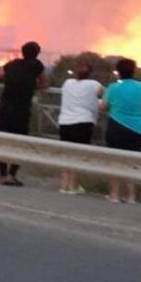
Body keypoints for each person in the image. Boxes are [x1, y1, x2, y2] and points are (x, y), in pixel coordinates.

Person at [100, 57, 141, 204]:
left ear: (118, 72)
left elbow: (103, 106)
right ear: (134, 71)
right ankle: (131, 196)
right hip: (138, 129)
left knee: (115, 160)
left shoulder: (112, 88)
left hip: (116, 127)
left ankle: (114, 194)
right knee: (132, 161)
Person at [0, 41, 48, 187]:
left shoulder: (13, 64)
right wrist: (31, 84)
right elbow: (44, 84)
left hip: (5, 108)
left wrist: (12, 80)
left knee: (2, 140)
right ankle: (12, 175)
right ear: (37, 53)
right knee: (20, 143)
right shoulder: (37, 65)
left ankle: (2, 174)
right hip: (22, 110)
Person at [56, 60, 104, 194]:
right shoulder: (94, 84)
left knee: (67, 153)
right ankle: (73, 185)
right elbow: (105, 95)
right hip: (83, 121)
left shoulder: (67, 83)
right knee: (78, 154)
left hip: (65, 122)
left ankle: (64, 184)